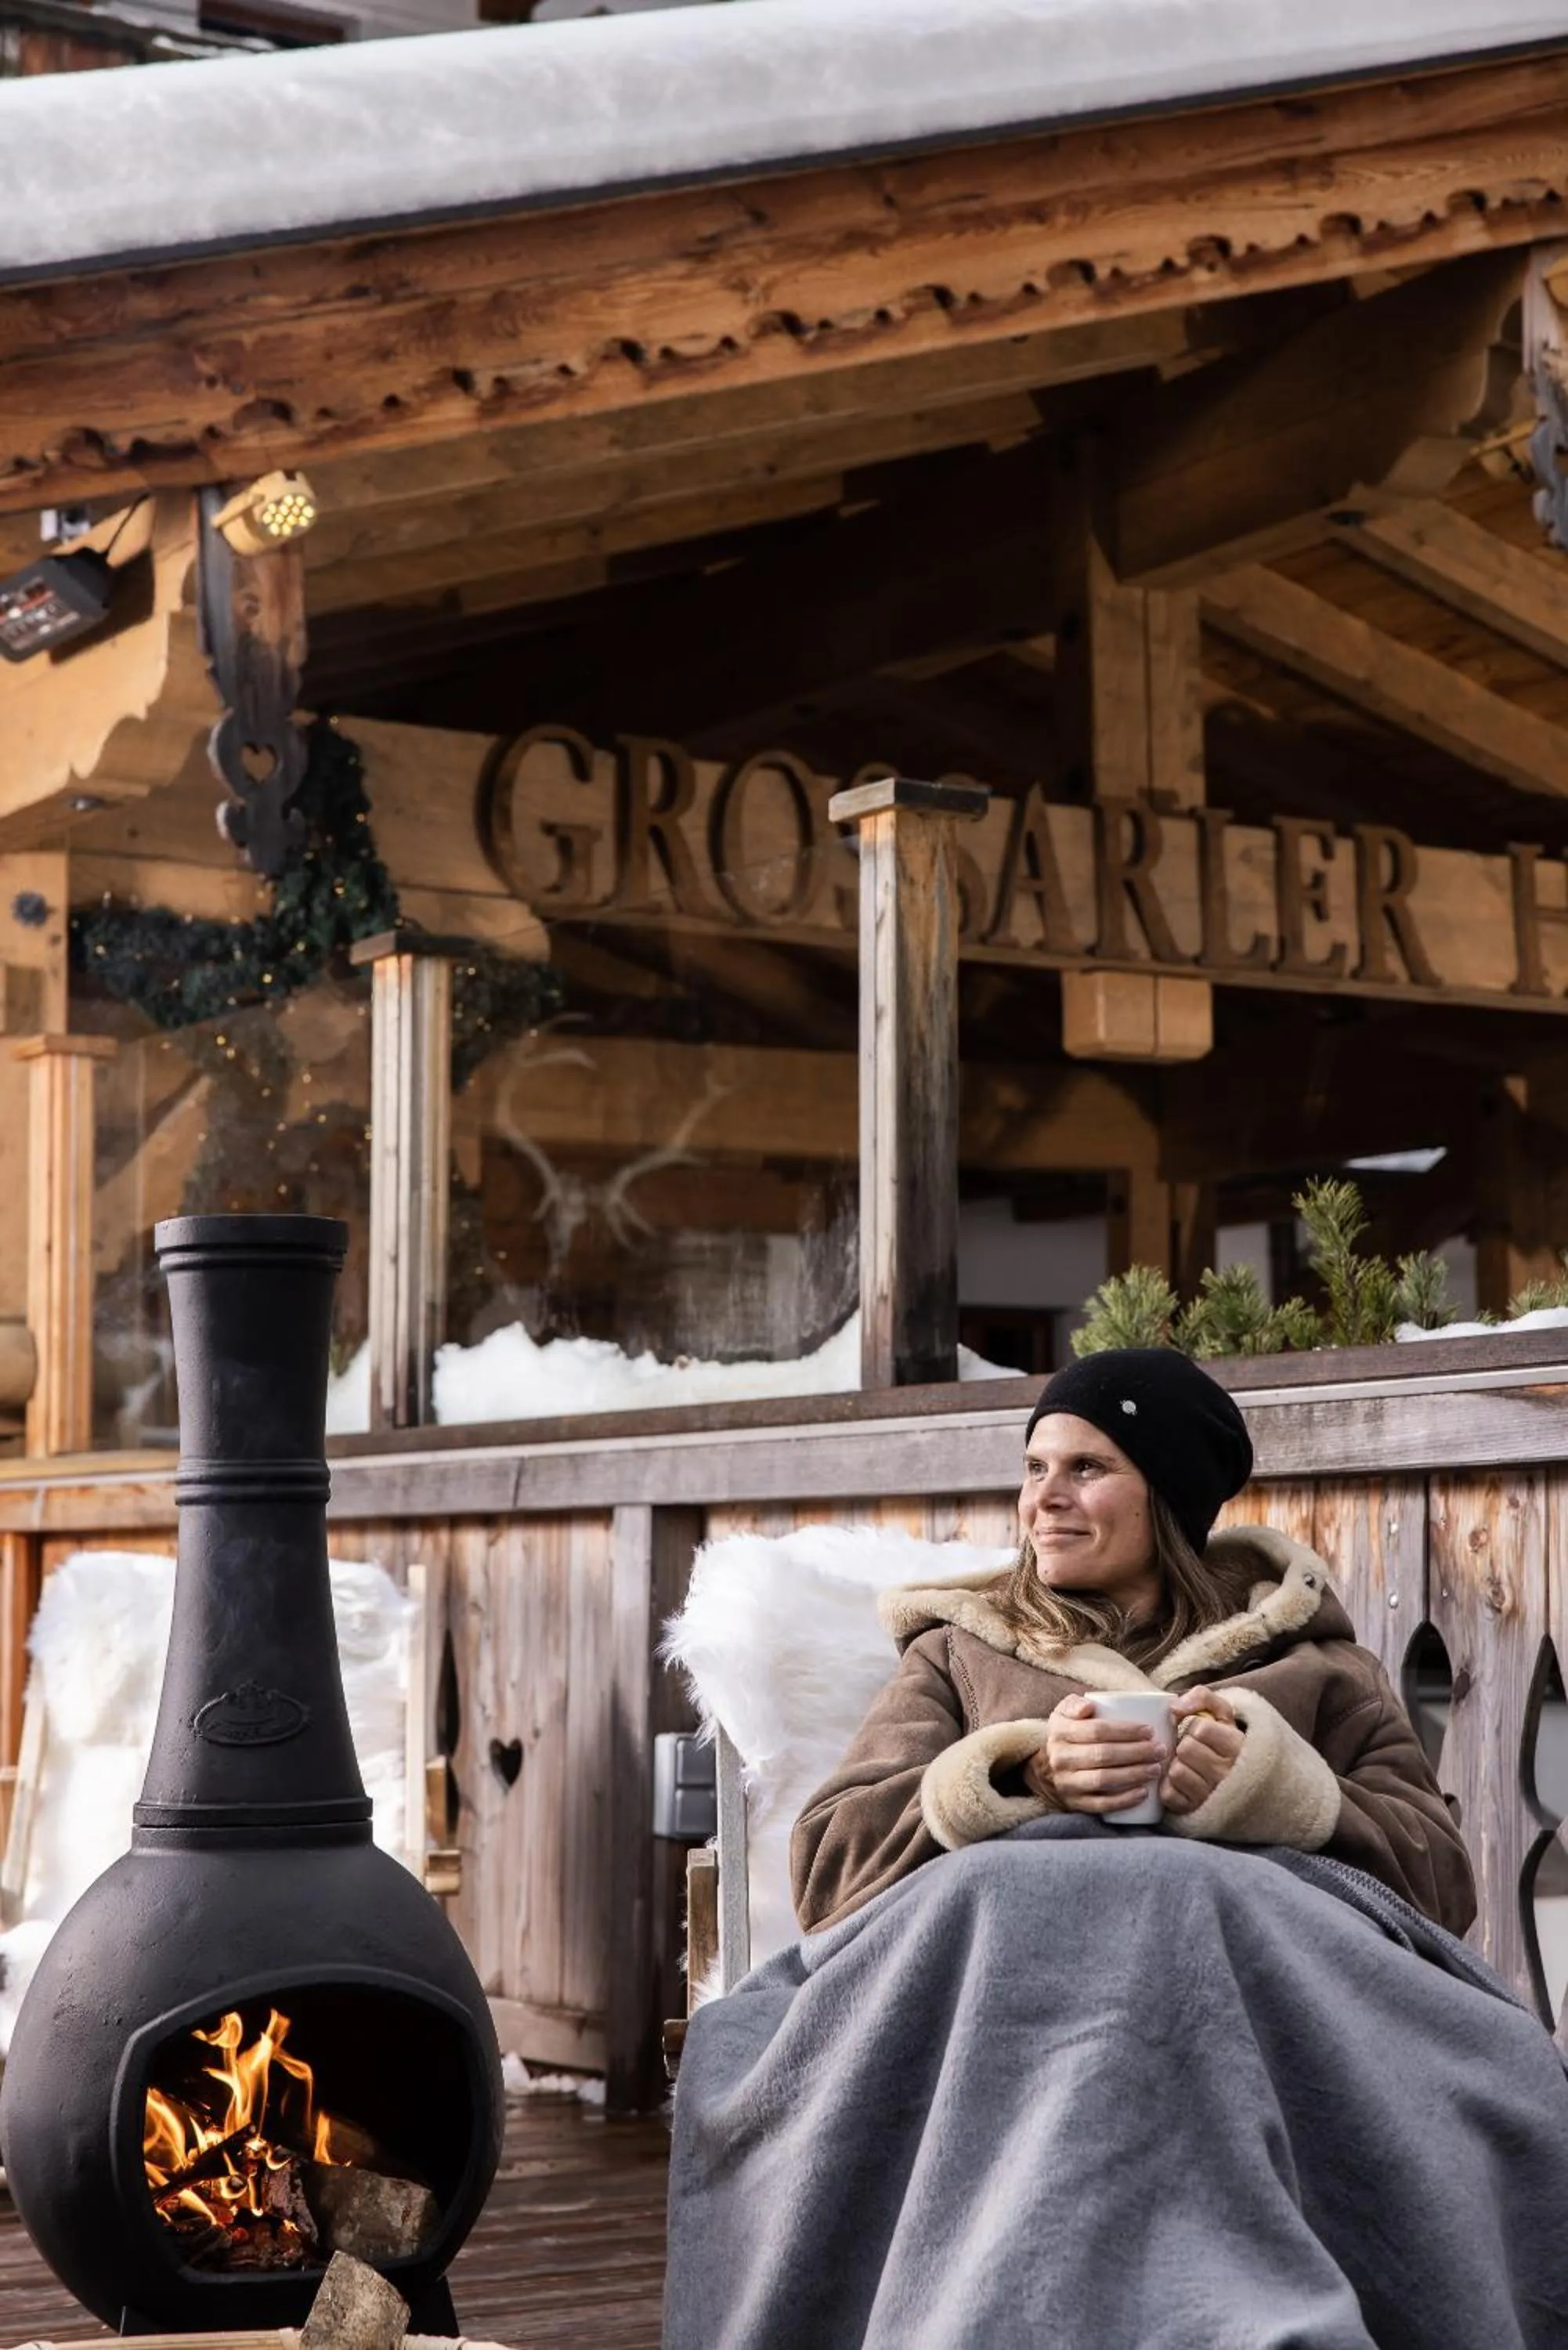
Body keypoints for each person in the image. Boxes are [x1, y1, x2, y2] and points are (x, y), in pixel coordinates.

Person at [791, 1347, 1473, 1938]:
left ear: (1169, 1497)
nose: (1044, 1499)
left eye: (1086, 1468)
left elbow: (1442, 1884)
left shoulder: (1317, 1665)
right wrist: (1018, 1774)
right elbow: (827, 1868)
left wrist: (1273, 1790)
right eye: (1035, 1468)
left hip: (1239, 2000)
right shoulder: (959, 1655)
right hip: (1017, 1996)